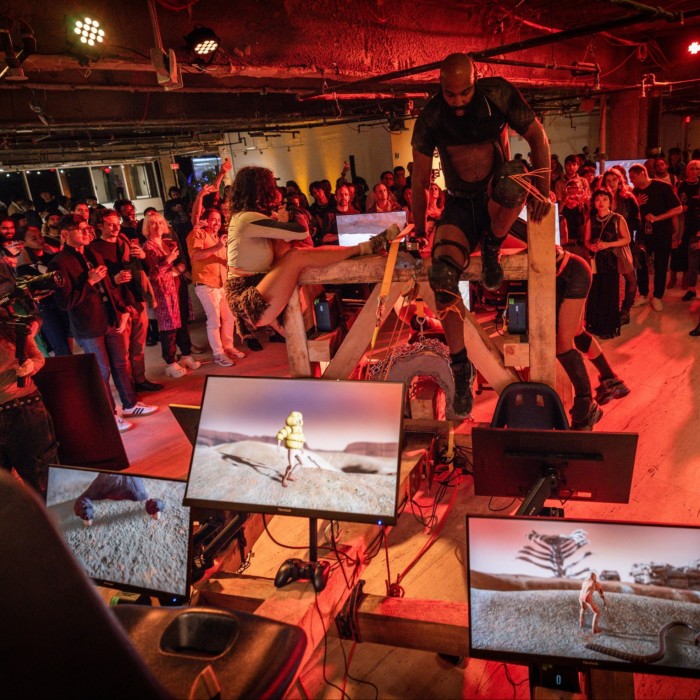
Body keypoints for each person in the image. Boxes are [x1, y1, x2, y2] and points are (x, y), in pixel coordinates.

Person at [410, 52, 551, 417]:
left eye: (464, 92)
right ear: (440, 86)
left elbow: (538, 137)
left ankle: (493, 244)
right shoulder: (431, 116)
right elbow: (421, 181)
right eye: (450, 93)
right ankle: (460, 367)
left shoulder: (498, 94)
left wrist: (544, 187)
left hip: (493, 198)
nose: (457, 101)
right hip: (459, 204)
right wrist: (420, 230)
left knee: (511, 178)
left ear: (477, 80)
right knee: (440, 275)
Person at [223, 166, 400, 343]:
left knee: (301, 252)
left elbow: (302, 242)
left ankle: (365, 247)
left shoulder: (249, 218)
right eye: (271, 187)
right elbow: (301, 231)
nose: (275, 192)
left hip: (259, 285)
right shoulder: (246, 219)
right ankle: (364, 247)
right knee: (296, 255)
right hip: (248, 298)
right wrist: (289, 215)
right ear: (261, 190)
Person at [49, 215, 157, 433]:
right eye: (80, 229)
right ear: (65, 235)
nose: (86, 232)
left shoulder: (93, 253)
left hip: (111, 318)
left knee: (121, 363)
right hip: (88, 326)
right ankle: (109, 415)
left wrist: (122, 309)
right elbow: (65, 302)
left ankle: (130, 404)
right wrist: (89, 282)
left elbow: (109, 287)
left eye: (86, 228)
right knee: (101, 371)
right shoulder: (58, 263)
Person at [555, 245, 629, 430]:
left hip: (571, 273)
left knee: (563, 345)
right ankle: (610, 379)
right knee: (577, 333)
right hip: (573, 270)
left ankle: (585, 406)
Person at [0, 305, 59, 500]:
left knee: (44, 482)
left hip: (23, 410)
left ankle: (62, 528)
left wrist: (30, 366)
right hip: (19, 410)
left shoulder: (9, 325)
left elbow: (37, 357)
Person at [142, 213, 201, 379]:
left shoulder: (167, 242)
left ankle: (186, 354)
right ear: (147, 227)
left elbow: (178, 261)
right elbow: (153, 275)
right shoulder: (147, 247)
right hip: (163, 292)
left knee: (182, 322)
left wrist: (180, 267)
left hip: (178, 286)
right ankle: (170, 362)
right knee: (169, 327)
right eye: (153, 223)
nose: (158, 226)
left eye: (161, 222)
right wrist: (168, 261)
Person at [187, 208, 246, 367]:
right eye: (213, 219)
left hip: (222, 284)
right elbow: (195, 255)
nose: (217, 223)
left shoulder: (218, 238)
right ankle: (218, 353)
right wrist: (218, 246)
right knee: (214, 321)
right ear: (205, 220)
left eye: (219, 220)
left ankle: (228, 347)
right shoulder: (197, 234)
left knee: (229, 318)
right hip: (206, 284)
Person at [629, 163, 683, 311]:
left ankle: (658, 296)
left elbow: (678, 208)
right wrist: (637, 204)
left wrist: (658, 218)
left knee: (661, 265)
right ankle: (644, 294)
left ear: (642, 173)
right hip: (642, 234)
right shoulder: (634, 192)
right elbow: (631, 214)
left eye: (633, 177)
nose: (631, 180)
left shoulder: (663, 187)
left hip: (662, 233)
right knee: (641, 265)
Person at [584, 188, 632, 340]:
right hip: (596, 261)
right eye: (598, 199)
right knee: (595, 292)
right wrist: (590, 246)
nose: (601, 203)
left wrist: (608, 244)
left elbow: (627, 239)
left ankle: (608, 327)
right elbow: (586, 240)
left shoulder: (617, 219)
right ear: (594, 203)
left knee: (609, 293)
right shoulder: (591, 220)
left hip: (611, 261)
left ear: (611, 202)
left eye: (605, 199)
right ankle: (595, 324)